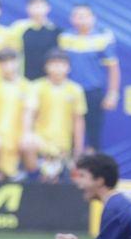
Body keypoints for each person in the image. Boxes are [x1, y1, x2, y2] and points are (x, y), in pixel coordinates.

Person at [58, 4, 120, 152]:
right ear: (71, 19)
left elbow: (113, 68)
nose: (81, 20)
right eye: (77, 16)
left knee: (93, 133)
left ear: (93, 18)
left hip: (93, 92)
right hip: (69, 92)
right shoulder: (65, 37)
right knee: (69, 131)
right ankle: (69, 168)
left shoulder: (103, 37)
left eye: (84, 16)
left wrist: (113, 93)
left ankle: (91, 170)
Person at [22, 50, 86, 182]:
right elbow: (29, 113)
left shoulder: (75, 90)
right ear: (46, 67)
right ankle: (34, 175)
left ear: (68, 68)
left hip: (63, 147)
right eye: (53, 64)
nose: (57, 68)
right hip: (40, 143)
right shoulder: (36, 87)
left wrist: (78, 150)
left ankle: (56, 170)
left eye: (61, 65)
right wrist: (27, 134)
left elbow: (78, 121)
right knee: (27, 144)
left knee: (60, 179)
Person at [0, 48, 31, 180]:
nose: (8, 66)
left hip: (17, 135)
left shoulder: (26, 86)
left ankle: (30, 176)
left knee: (29, 143)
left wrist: (26, 133)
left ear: (18, 62)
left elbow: (28, 113)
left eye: (11, 61)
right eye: (4, 62)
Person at [12, 0, 59, 81]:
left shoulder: (55, 31)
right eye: (34, 5)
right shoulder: (17, 28)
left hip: (48, 83)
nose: (38, 8)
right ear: (27, 8)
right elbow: (12, 55)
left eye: (41, 5)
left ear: (48, 8)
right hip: (24, 81)